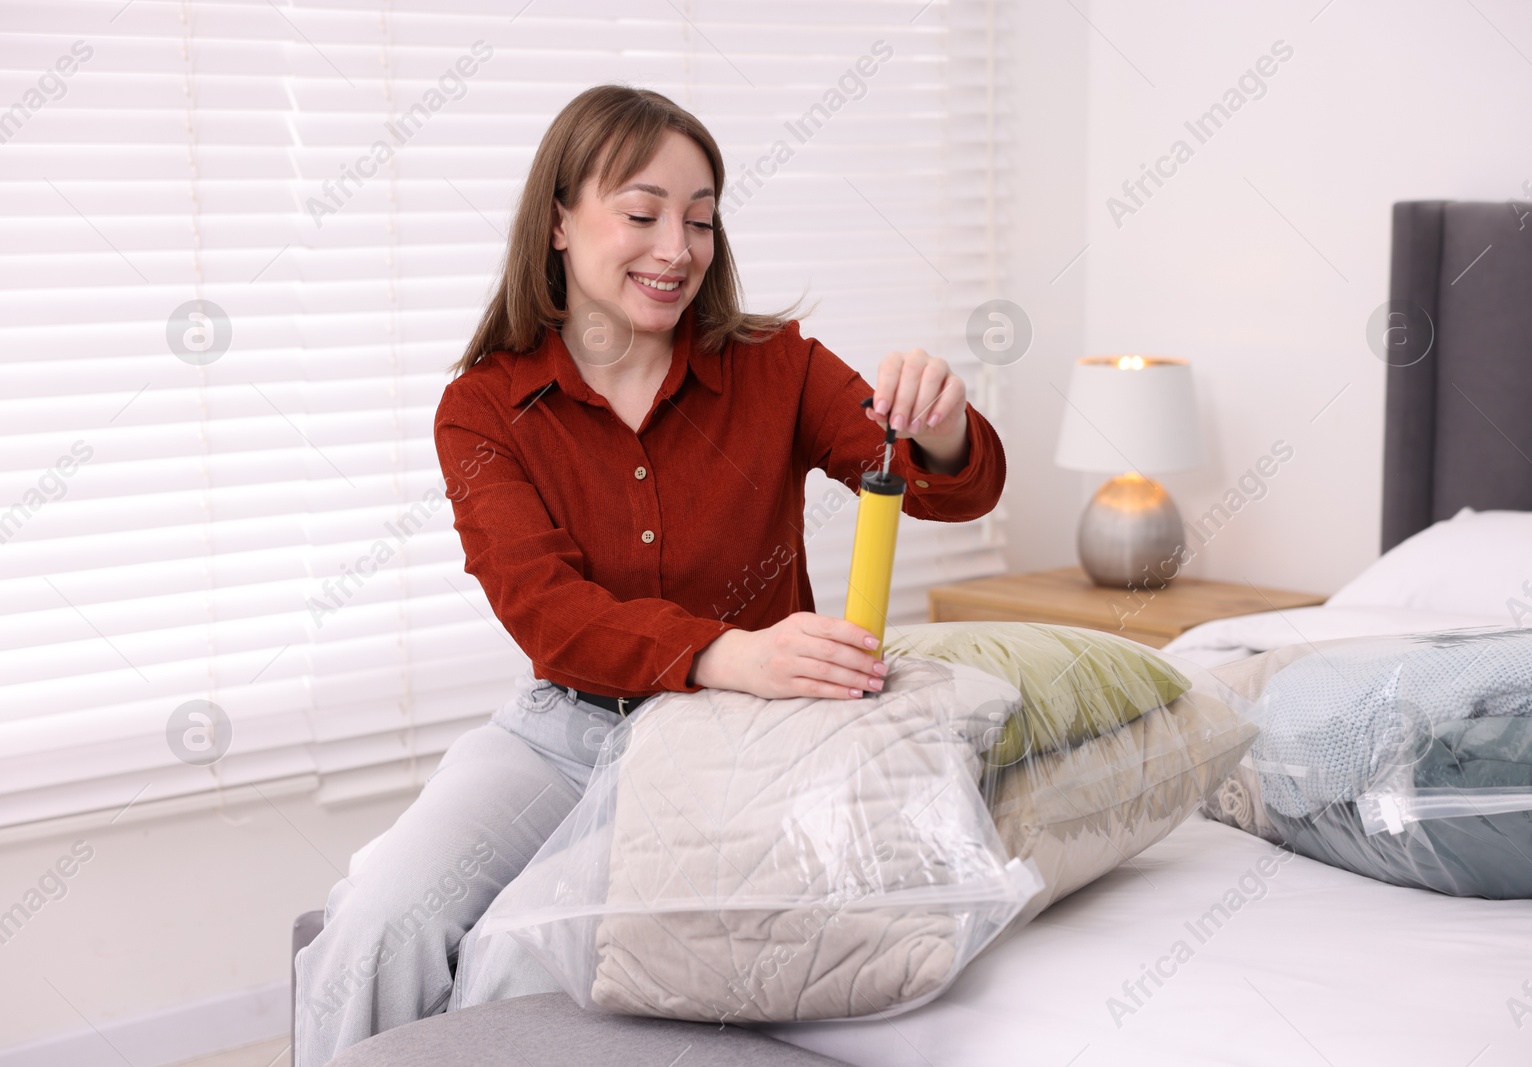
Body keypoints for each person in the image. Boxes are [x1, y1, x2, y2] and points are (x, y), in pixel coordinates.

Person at [293, 83, 1006, 1066]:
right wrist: (728, 650)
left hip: (733, 749)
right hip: (562, 729)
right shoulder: (484, 406)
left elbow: (941, 489)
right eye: (642, 213)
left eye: (701, 219)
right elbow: (546, 613)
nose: (677, 247)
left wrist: (940, 427)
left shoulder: (777, 367)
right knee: (380, 919)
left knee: (519, 958)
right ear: (558, 221)